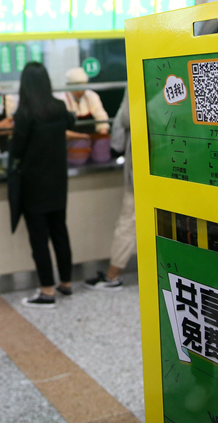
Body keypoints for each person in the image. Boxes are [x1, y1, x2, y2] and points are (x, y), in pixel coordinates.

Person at [10, 62, 76, 308]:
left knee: (39, 238)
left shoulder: (24, 113)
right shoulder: (59, 107)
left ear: (25, 85)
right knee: (60, 231)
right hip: (58, 181)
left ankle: (47, 291)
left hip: (34, 184)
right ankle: (66, 283)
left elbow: (16, 149)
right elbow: (72, 123)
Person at [85, 86, 135, 290]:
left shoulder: (138, 77)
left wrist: (116, 147)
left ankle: (113, 275)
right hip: (175, 164)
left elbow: (125, 119)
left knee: (129, 220)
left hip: (143, 166)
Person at [62, 67, 110, 134]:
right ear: (69, 86)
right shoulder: (62, 100)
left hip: (92, 135)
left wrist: (102, 132)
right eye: (77, 87)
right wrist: (82, 137)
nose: (81, 91)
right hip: (72, 139)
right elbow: (61, 129)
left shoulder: (92, 96)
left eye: (83, 87)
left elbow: (101, 117)